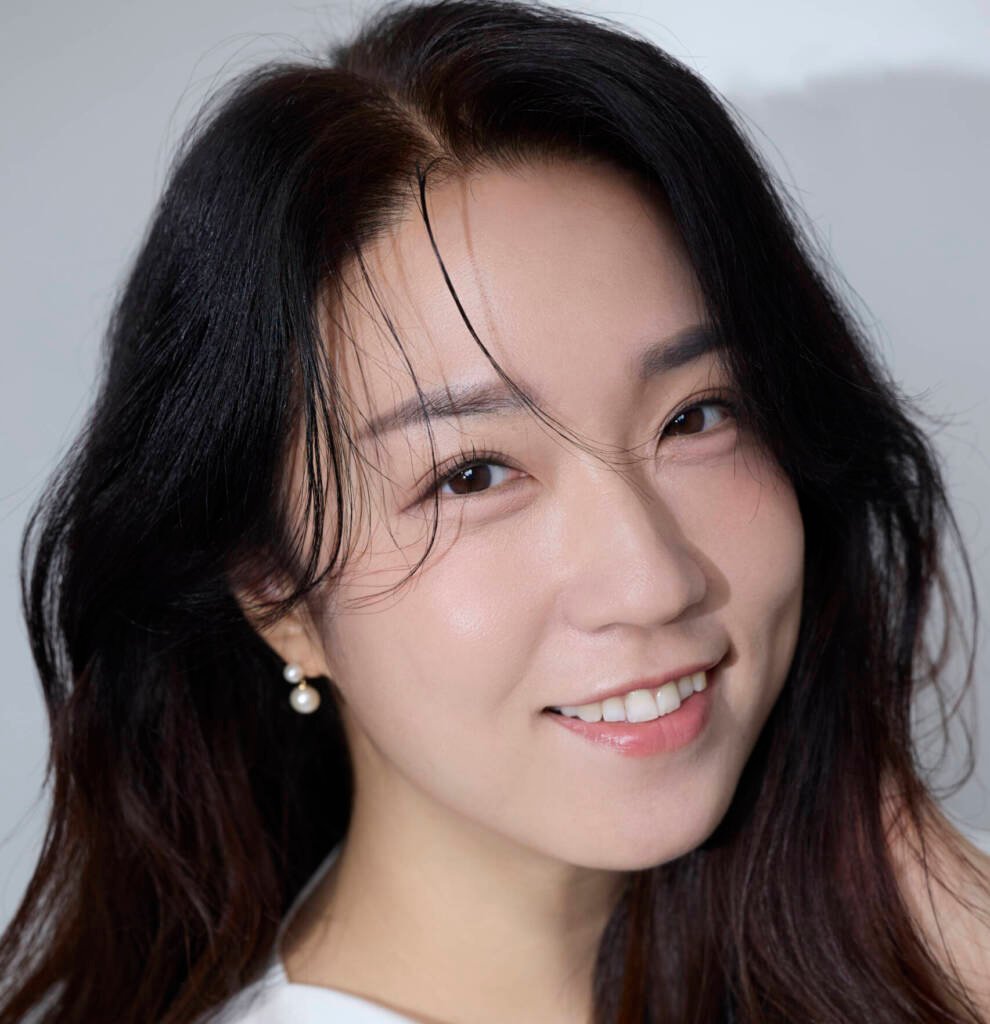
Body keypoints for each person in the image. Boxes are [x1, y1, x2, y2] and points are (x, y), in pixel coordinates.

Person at [1, 0, 988, 1021]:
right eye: (471, 474)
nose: (653, 578)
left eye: (698, 414)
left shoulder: (874, 936)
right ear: (276, 590)